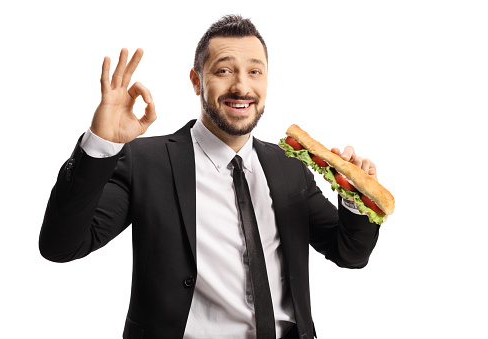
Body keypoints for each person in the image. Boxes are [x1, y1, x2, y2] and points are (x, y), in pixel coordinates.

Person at [39, 15, 381, 339]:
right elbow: (61, 245)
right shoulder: (146, 161)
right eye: (224, 70)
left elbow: (349, 253)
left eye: (255, 72)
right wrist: (101, 145)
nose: (241, 86)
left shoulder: (288, 165)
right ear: (196, 80)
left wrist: (355, 197)